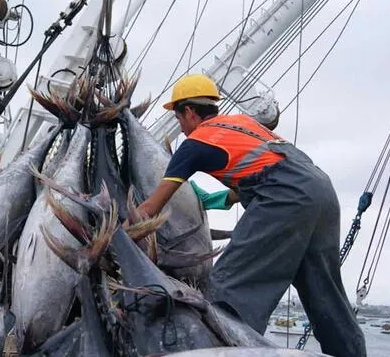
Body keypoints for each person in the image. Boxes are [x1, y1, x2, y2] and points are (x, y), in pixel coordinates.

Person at [129, 74, 366, 357]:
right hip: (321, 191)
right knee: (324, 293)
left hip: (286, 198)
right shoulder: (242, 124)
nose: (181, 128)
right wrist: (215, 200)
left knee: (227, 292)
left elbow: (150, 208)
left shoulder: (193, 145)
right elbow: (266, 175)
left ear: (189, 112)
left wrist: (117, 234)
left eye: (179, 119)